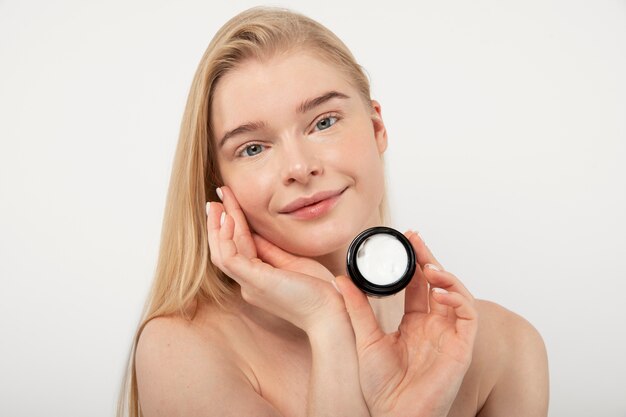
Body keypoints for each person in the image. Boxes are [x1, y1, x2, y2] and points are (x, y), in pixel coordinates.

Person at [117, 6, 549, 417]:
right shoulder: (182, 351)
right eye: (252, 148)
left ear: (377, 127)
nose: (300, 168)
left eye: (324, 122)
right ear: (220, 183)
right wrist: (327, 324)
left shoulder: (503, 346)